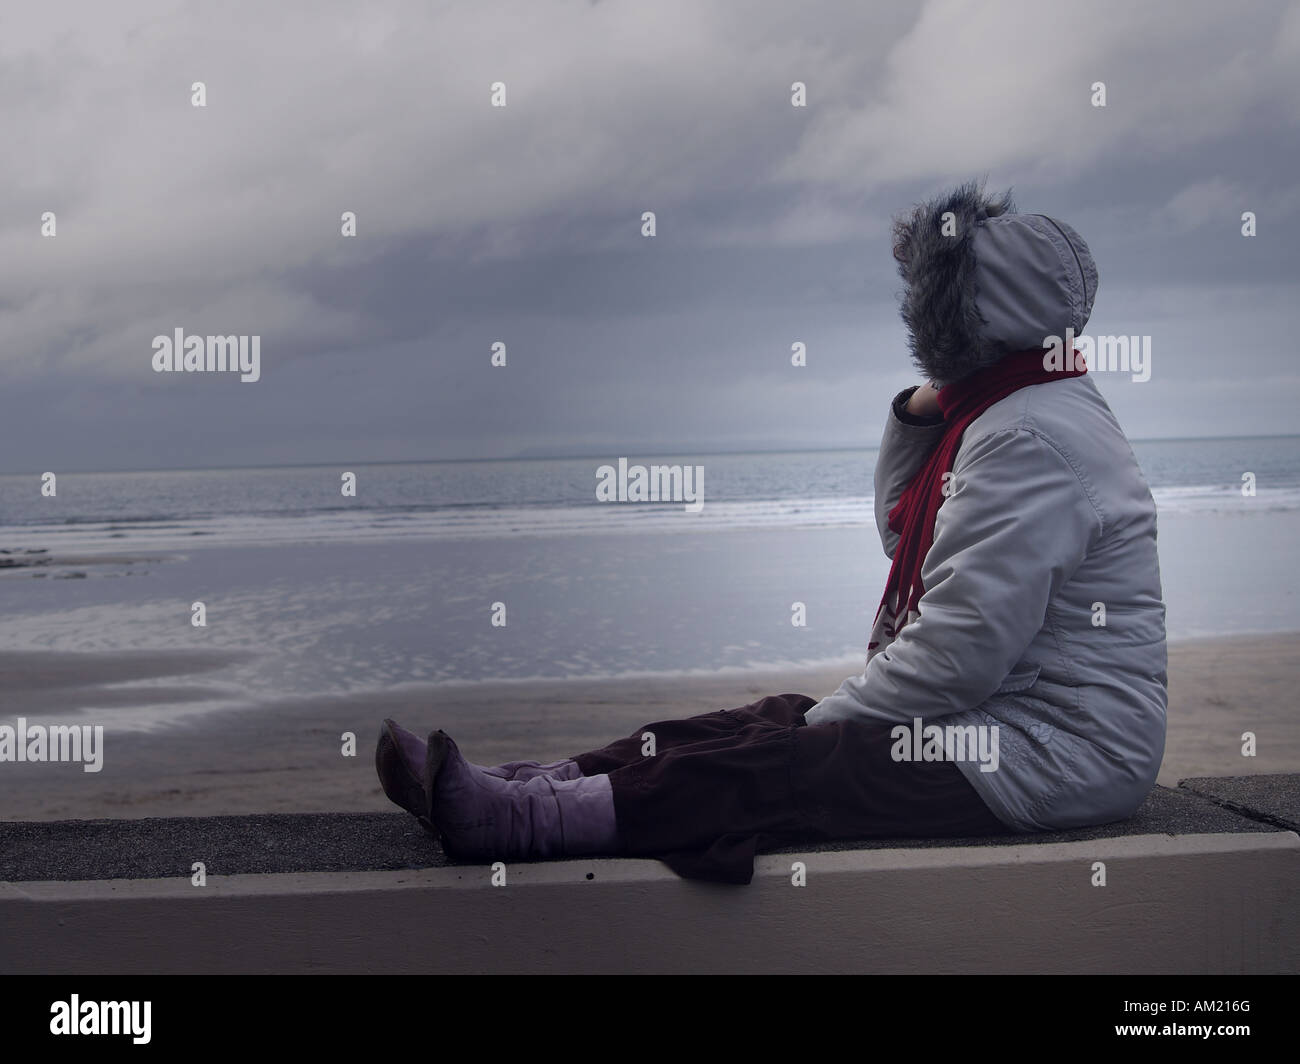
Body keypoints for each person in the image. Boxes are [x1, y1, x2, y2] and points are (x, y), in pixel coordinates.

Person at [375, 179, 1167, 884]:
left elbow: (958, 655)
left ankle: (521, 822)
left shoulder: (1026, 434)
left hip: (1055, 751)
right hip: (1012, 721)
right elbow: (911, 543)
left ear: (970, 316)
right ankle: (527, 782)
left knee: (782, 760)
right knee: (757, 721)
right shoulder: (1012, 408)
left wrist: (821, 728)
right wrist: (918, 410)